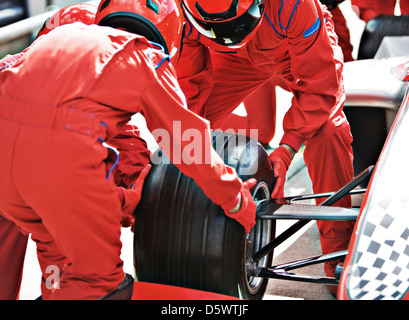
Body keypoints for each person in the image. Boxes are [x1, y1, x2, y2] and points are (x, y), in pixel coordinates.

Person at [0, 0, 256, 300]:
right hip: (61, 170)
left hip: (8, 179)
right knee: (98, 284)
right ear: (167, 33)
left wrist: (118, 199)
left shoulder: (61, 37)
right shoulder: (144, 57)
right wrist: (236, 199)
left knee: (60, 267)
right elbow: (188, 144)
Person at [176, 0, 355, 295]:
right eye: (215, 27)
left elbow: (319, 86)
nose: (227, 31)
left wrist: (287, 148)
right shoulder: (182, 14)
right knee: (181, 127)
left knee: (329, 131)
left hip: (292, 47)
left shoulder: (296, 5)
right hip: (234, 60)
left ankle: (339, 250)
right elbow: (187, 91)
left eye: (235, 24)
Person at [219, 0, 354, 146]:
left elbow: (331, 84)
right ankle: (202, 127)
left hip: (287, 52)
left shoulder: (324, 20)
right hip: (250, 51)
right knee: (262, 131)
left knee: (327, 113)